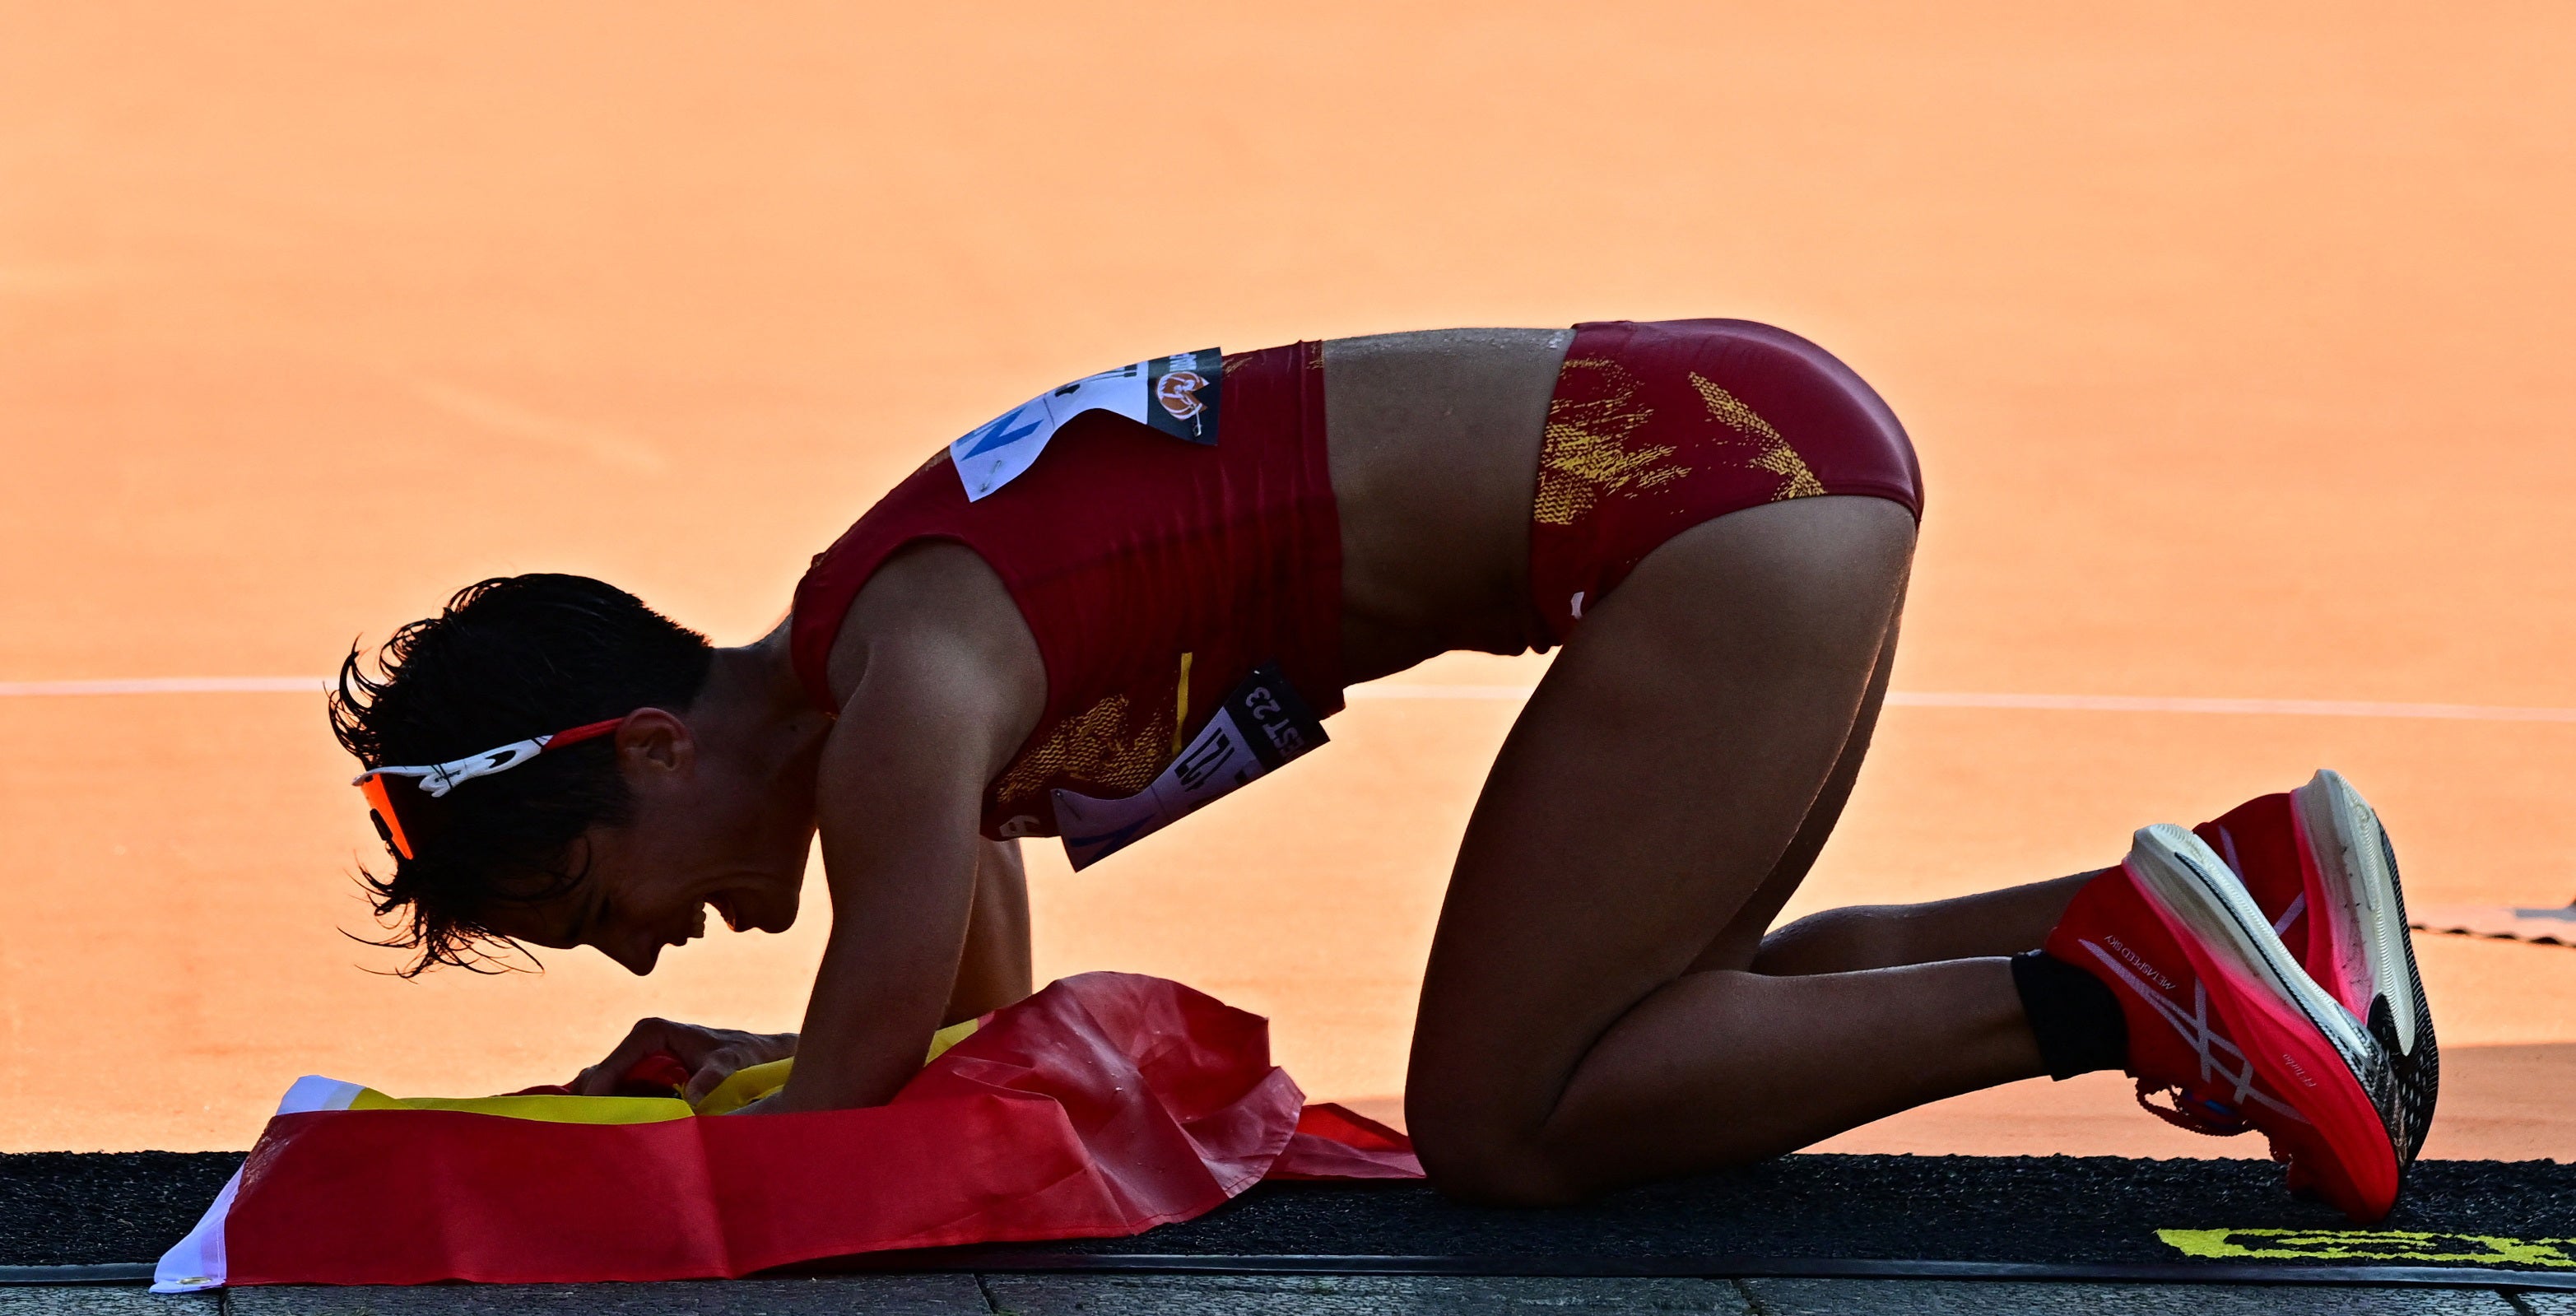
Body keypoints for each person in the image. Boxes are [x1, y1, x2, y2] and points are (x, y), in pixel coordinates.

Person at [333, 321, 2437, 1221]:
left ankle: (2130, 990)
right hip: (1748, 449)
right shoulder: (883, 649)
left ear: (646, 745)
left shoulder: (894, 694)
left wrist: (694, 1107)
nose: (631, 952)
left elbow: (861, 1068)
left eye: (586, 901)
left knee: (1506, 1123)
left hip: (1703, 500)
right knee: (1679, 1013)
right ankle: (2243, 891)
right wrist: (764, 1056)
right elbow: (967, 1031)